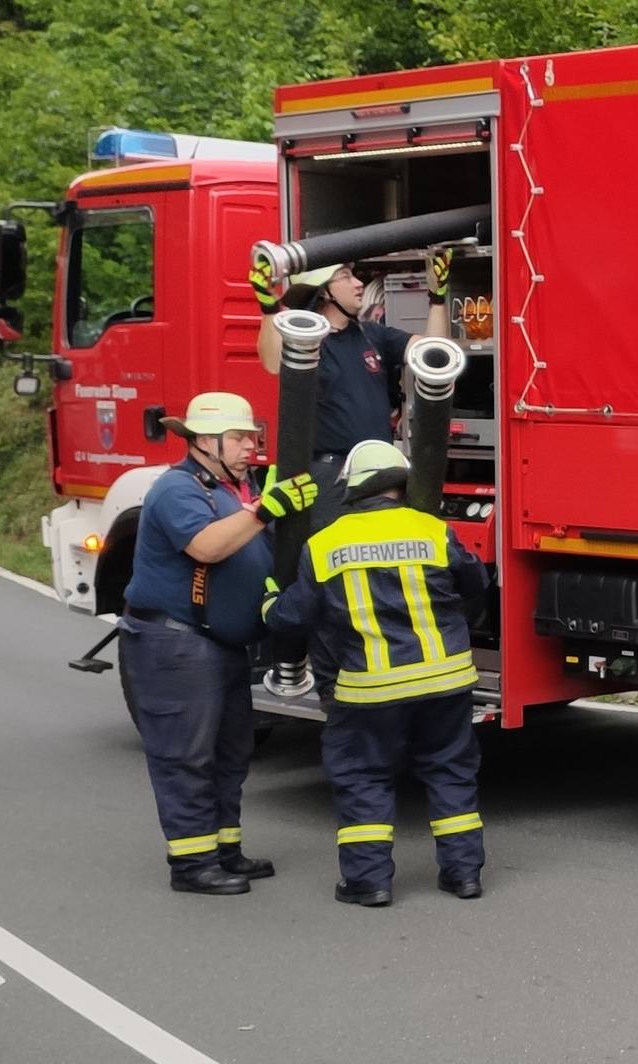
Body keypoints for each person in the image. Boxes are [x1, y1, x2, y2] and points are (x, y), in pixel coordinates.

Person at [262, 440, 492, 907]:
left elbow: (295, 616)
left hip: (367, 690)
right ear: (399, 485)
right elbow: (476, 583)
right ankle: (463, 876)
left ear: (352, 489)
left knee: (364, 778)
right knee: (450, 773)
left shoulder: (325, 543)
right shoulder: (432, 530)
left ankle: (369, 884)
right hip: (444, 681)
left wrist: (270, 601)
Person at [117, 392, 317, 895]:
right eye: (240, 437)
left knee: (230, 753)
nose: (252, 445)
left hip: (220, 645)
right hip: (174, 643)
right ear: (205, 441)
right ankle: (191, 865)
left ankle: (224, 850)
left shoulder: (236, 488)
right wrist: (264, 511)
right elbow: (205, 546)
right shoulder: (177, 489)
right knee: (186, 755)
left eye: (253, 436)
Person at [251, 248, 455, 502]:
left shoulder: (374, 335)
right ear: (324, 290)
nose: (359, 284)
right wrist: (269, 309)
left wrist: (437, 298)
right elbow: (272, 363)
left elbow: (436, 354)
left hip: (380, 474)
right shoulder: (307, 342)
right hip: (331, 477)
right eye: (346, 277)